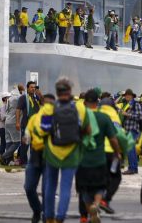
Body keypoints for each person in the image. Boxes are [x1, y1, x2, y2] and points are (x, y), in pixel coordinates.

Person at [38, 78, 90, 223]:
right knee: (65, 187)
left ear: (57, 91)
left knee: (50, 186)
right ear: (70, 91)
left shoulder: (49, 108)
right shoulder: (80, 108)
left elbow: (43, 131)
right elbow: (88, 129)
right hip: (72, 152)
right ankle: (60, 217)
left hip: (52, 152)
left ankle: (49, 217)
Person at [77, 89, 121, 223]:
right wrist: (117, 152)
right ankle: (96, 205)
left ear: (84, 102)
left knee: (84, 189)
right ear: (98, 102)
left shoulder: (80, 118)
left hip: (83, 160)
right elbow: (113, 139)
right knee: (100, 187)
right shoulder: (104, 118)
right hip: (99, 159)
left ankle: (88, 210)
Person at [23, 93, 51, 223]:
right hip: (35, 157)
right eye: (45, 104)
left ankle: (46, 215)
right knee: (29, 187)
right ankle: (37, 210)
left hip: (50, 158)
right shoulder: (34, 118)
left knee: (47, 190)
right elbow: (27, 135)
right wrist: (26, 137)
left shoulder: (57, 119)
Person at [16, 81, 40, 166]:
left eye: (34, 87)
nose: (33, 89)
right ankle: (24, 162)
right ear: (27, 88)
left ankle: (33, 162)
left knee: (34, 145)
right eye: (31, 87)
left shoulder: (37, 98)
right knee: (25, 145)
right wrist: (17, 122)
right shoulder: (23, 98)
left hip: (35, 126)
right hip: (26, 125)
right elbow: (18, 110)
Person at [121, 89, 142, 175]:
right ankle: (134, 168)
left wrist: (127, 115)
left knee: (130, 149)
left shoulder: (136, 104)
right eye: (125, 95)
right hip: (129, 129)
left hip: (133, 129)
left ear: (131, 96)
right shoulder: (128, 105)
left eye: (127, 95)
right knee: (132, 149)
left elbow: (139, 117)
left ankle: (131, 168)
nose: (126, 97)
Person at [1, 88, 21, 165]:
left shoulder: (9, 100)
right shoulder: (17, 98)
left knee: (9, 142)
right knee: (17, 142)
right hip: (14, 122)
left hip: (7, 122)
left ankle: (8, 161)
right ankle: (3, 156)